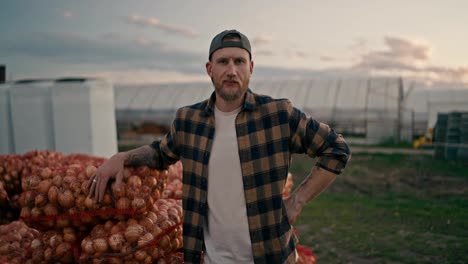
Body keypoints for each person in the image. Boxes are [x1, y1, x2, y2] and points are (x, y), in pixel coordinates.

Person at [88, 29, 351, 263]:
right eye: (223, 61)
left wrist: (298, 200)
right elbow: (160, 153)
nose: (231, 70)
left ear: (251, 67)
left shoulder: (278, 115)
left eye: (239, 61)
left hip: (272, 255)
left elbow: (336, 149)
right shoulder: (189, 120)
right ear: (209, 68)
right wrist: (122, 157)